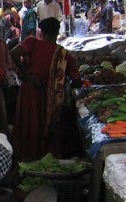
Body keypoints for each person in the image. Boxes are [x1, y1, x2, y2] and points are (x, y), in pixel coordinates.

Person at [10, 17, 81, 161]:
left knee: (29, 125)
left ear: (42, 32)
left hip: (29, 92)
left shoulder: (32, 42)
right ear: (57, 33)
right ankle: (46, 159)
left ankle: (25, 159)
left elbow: (14, 53)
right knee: (46, 128)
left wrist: (27, 76)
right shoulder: (64, 54)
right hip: (51, 98)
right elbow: (76, 79)